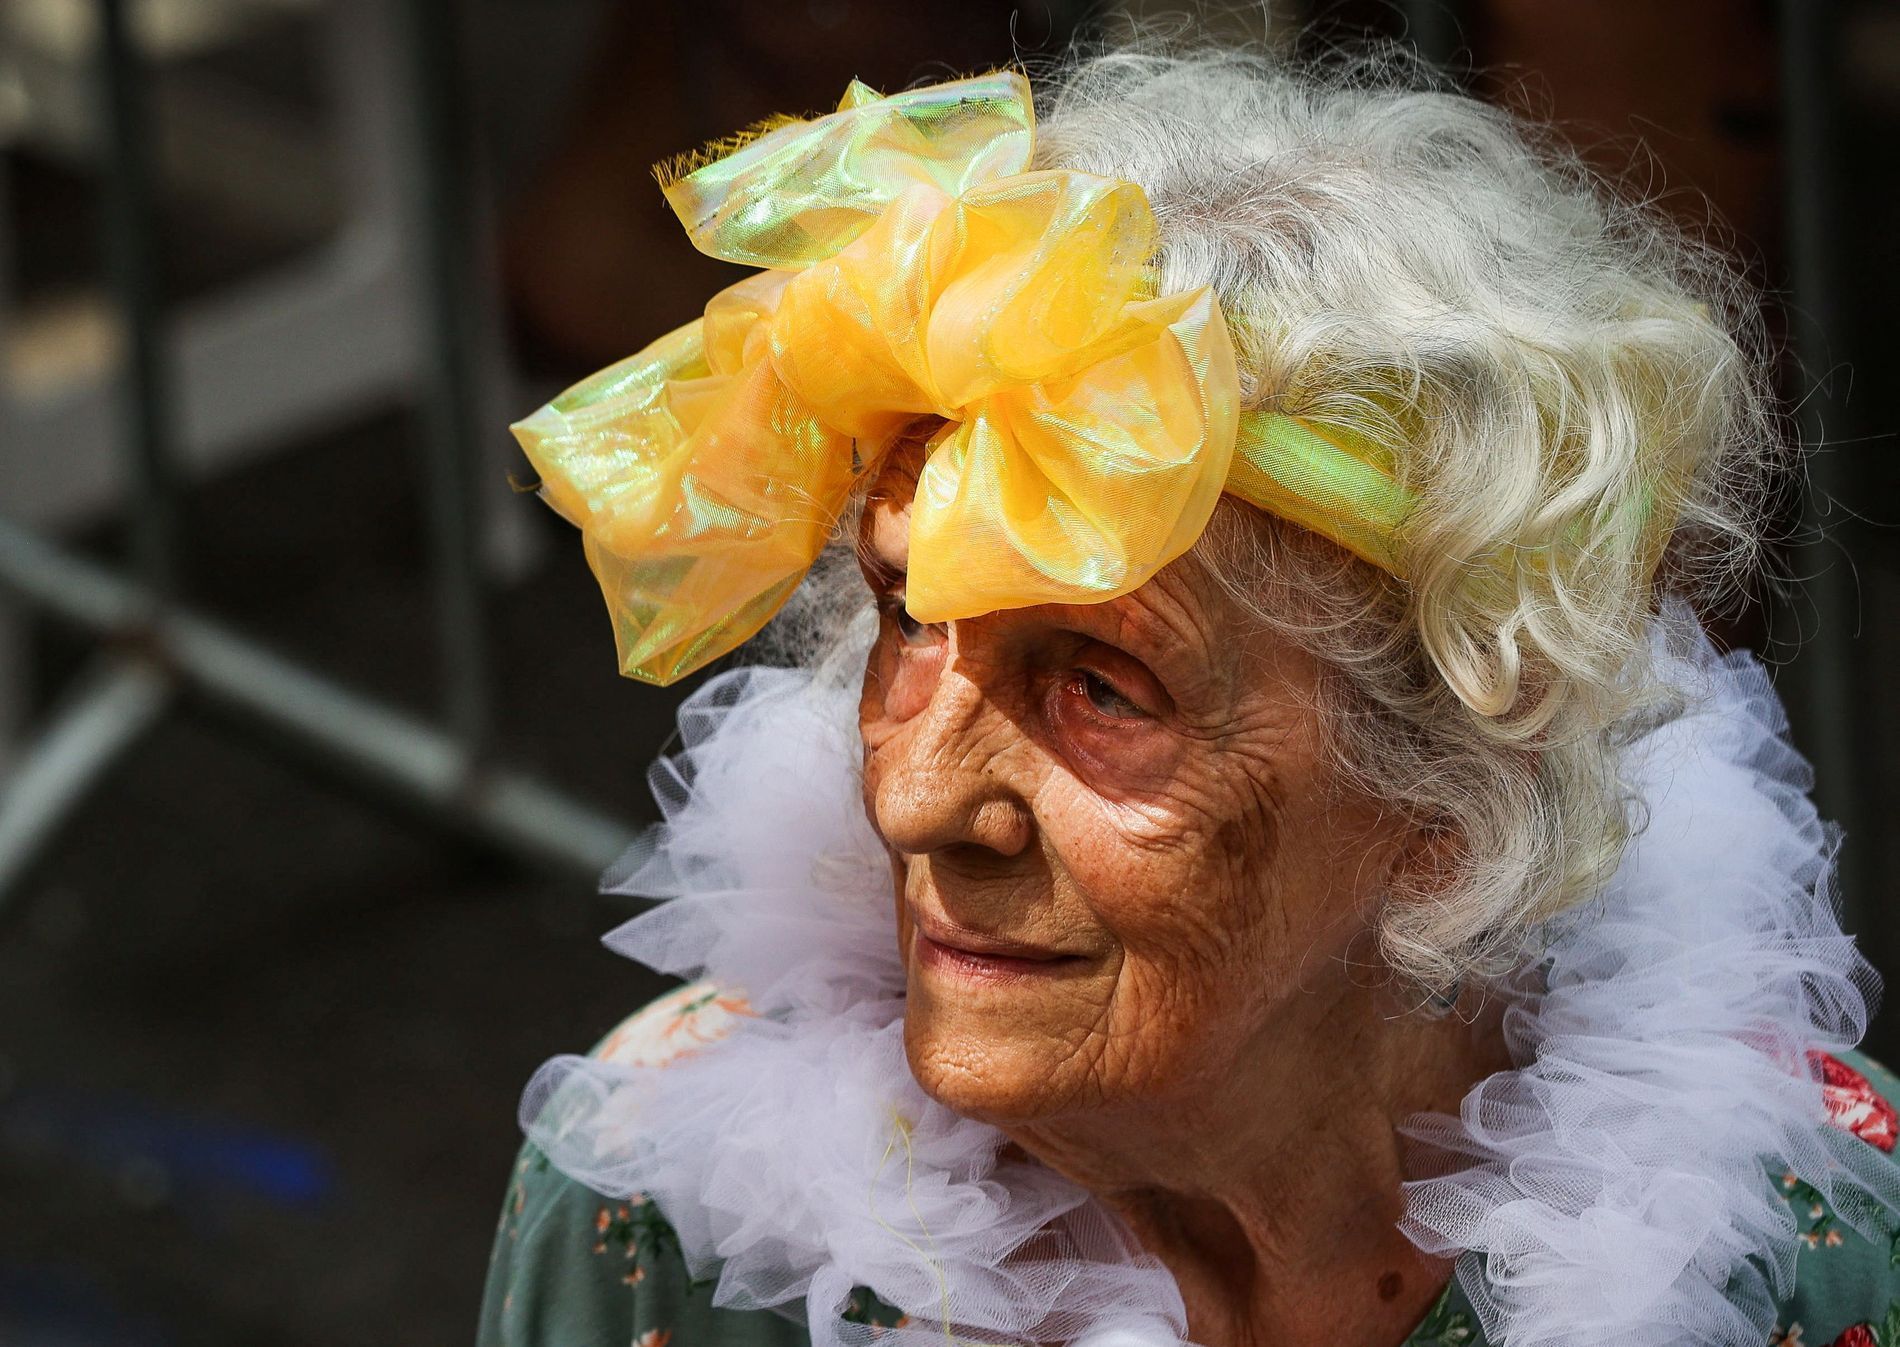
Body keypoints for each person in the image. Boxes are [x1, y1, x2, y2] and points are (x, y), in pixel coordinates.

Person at [478, 44, 1900, 1347]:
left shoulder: (1791, 1272)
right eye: (912, 616)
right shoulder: (675, 1216)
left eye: (1101, 685)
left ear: (1453, 791)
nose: (915, 802)